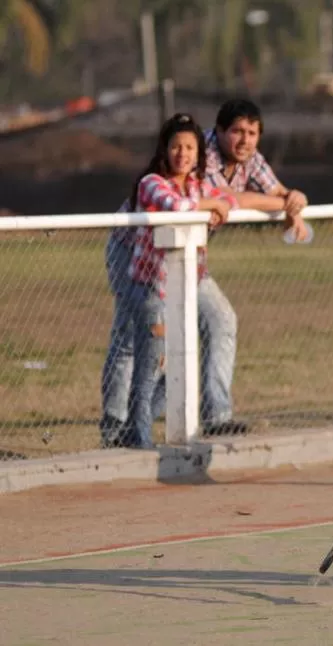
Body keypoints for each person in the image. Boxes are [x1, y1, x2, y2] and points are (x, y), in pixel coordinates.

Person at [99, 99, 308, 446]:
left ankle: (215, 417)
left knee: (219, 319)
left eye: (253, 133)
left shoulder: (249, 157)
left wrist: (293, 205)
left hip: (187, 257)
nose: (245, 140)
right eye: (237, 131)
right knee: (131, 340)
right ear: (219, 133)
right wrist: (242, 202)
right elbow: (224, 199)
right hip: (136, 251)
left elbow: (275, 193)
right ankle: (116, 427)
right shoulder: (198, 153)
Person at [126, 113, 238, 449]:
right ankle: (138, 435)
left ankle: (141, 426)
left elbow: (228, 199)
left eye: (190, 147)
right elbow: (178, 207)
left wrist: (216, 202)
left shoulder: (197, 184)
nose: (183, 153)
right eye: (176, 146)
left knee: (179, 361)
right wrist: (212, 204)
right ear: (165, 149)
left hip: (188, 284)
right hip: (151, 288)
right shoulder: (152, 183)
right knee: (151, 364)